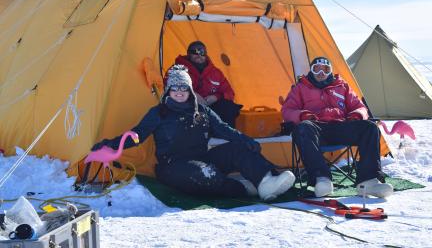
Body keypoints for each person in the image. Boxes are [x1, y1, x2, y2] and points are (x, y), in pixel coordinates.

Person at [92, 65, 295, 200]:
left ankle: (265, 182)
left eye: (184, 87)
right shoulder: (159, 112)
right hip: (173, 166)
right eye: (174, 88)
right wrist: (110, 144)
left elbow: (223, 129)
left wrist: (245, 139)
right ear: (168, 91)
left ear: (190, 90)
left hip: (202, 158)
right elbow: (137, 134)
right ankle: (241, 188)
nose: (179, 92)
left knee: (238, 148)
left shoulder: (202, 110)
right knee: (206, 174)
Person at [281, 56, 393, 198]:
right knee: (303, 128)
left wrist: (356, 115)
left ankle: (368, 181)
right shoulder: (301, 87)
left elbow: (360, 107)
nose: (321, 73)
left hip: (341, 126)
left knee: (370, 128)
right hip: (316, 128)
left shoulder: (342, 85)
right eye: (317, 69)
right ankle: (321, 179)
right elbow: (287, 110)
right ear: (311, 71)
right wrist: (303, 115)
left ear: (331, 71)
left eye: (325, 69)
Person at [167, 41, 242, 127]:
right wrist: (191, 94)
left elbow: (229, 92)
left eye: (202, 53)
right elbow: (169, 85)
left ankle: (225, 136)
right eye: (195, 52)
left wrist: (216, 97)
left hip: (209, 107)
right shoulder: (178, 69)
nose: (199, 55)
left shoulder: (215, 72)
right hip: (188, 107)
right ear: (188, 54)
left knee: (229, 107)